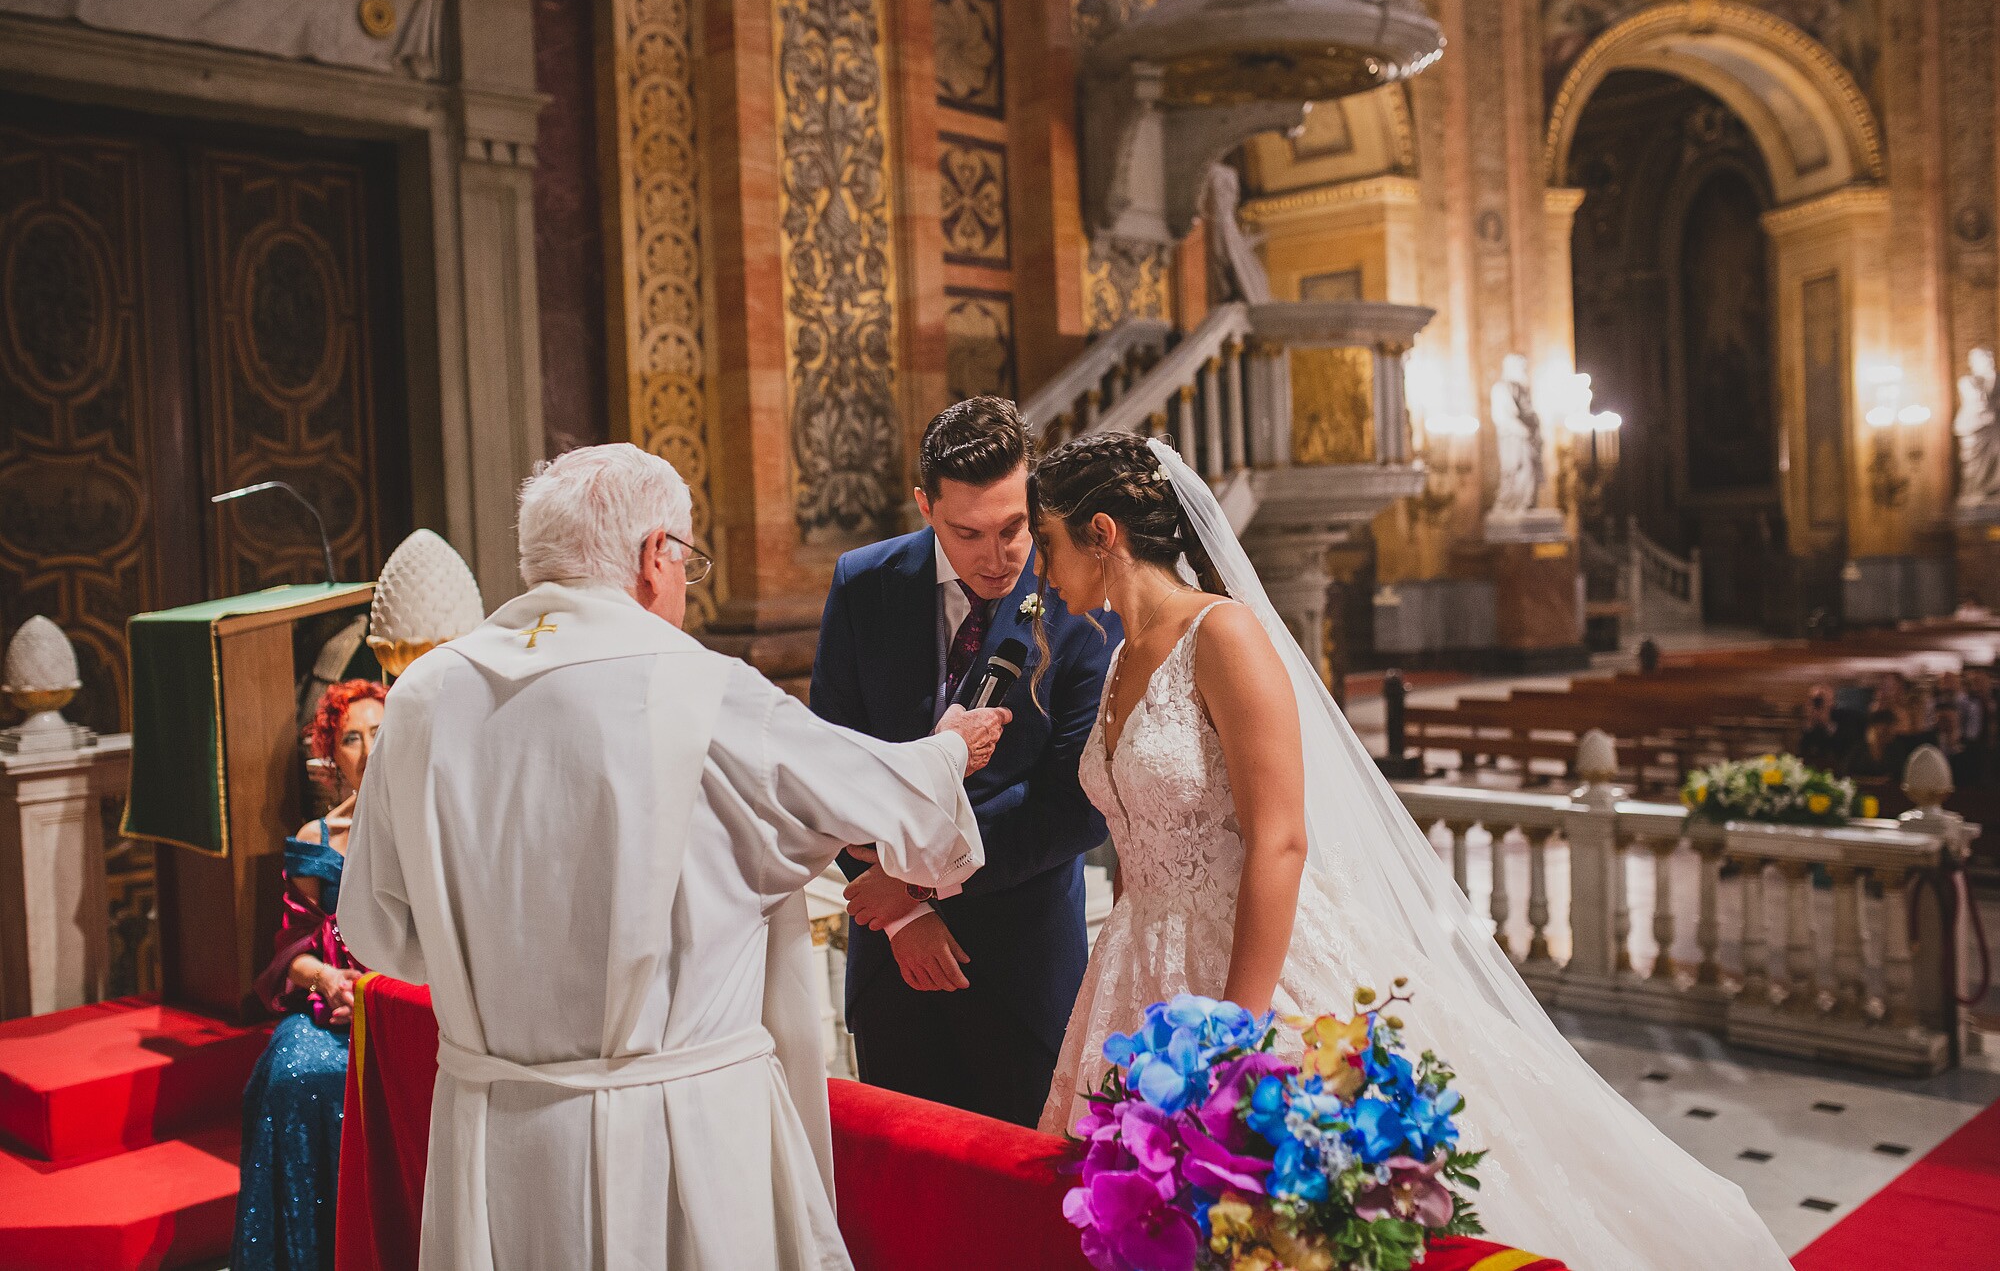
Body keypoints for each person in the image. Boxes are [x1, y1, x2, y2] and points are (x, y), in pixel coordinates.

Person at [1029, 431, 1791, 1270]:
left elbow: (1280, 838)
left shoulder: (1226, 635)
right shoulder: (1115, 659)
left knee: (1295, 1222)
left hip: (1247, 965)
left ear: (1103, 533)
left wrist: (1233, 1038)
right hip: (1133, 967)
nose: (1041, 571)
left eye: (1047, 544)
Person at [338, 444, 1004, 1271]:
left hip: (494, 1134)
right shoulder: (697, 689)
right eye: (688, 561)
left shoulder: (424, 693)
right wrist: (943, 751)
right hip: (677, 1129)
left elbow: (378, 929)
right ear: (658, 555)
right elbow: (891, 805)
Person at [810, 397, 1118, 1126]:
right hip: (896, 970)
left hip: (1024, 968)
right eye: (966, 532)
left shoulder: (1079, 597)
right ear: (925, 506)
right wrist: (902, 918)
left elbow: (1071, 803)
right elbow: (832, 768)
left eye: (1013, 527)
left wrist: (918, 880)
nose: (997, 555)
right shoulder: (864, 584)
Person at [234, 678, 384, 1271]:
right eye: (352, 738)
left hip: (408, 1004)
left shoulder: (436, 823)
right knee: (292, 1074)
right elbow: (287, 953)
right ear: (332, 757)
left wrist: (380, 997)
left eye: (381, 732)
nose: (370, 749)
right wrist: (325, 977)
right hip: (332, 1010)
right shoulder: (315, 842)